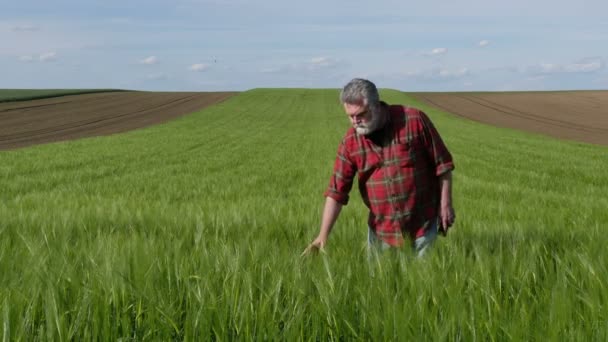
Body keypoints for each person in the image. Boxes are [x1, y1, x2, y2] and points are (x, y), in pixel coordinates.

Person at [303, 78, 455, 256]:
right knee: (380, 282)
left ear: (376, 105)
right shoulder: (350, 142)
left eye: (360, 115)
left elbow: (443, 165)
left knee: (426, 281)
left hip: (423, 226)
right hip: (382, 233)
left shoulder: (414, 120)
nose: (355, 121)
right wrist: (323, 236)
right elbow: (336, 192)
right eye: (350, 116)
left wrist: (445, 204)